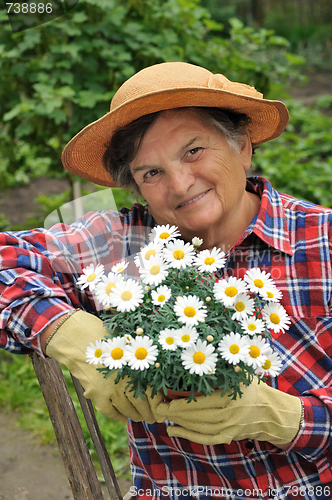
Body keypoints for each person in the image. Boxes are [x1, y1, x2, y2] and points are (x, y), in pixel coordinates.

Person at [1, 61, 332, 500]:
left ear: (244, 146)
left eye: (193, 151)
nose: (179, 184)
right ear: (135, 187)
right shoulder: (123, 243)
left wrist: (285, 416)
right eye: (150, 172)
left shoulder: (321, 241)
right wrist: (70, 334)